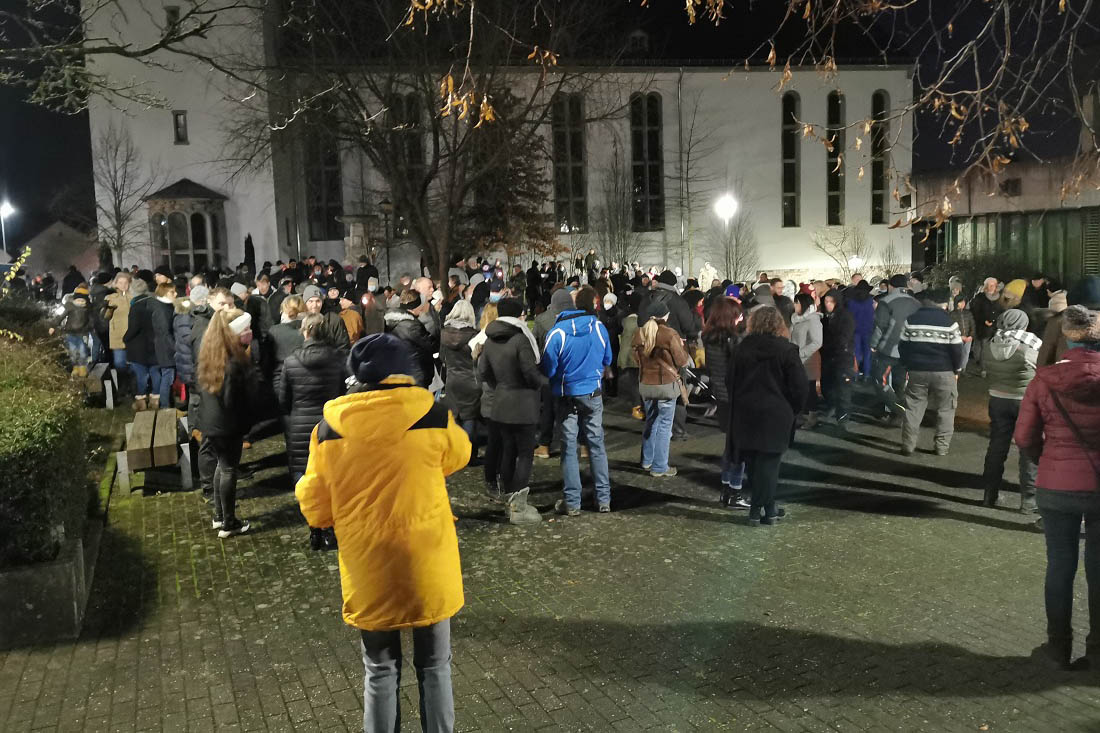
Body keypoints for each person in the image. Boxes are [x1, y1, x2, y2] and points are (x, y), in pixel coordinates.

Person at [295, 333, 470, 731]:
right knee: (435, 665)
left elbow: (315, 504)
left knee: (379, 669)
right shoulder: (433, 415)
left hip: (367, 563)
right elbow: (460, 454)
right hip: (427, 560)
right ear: (405, 373)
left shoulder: (329, 430)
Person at [1014, 305, 1100, 671]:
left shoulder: (1044, 380)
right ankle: (1097, 653)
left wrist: (1045, 460)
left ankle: (1057, 648)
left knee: (1060, 566)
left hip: (1056, 486)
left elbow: (1024, 437)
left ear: (1065, 336)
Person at [725, 307, 807, 525]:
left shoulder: (742, 349)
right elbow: (799, 387)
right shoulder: (787, 350)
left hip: (746, 411)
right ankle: (758, 509)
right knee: (770, 464)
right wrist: (793, 409)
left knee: (754, 464)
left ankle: (768, 507)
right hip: (776, 413)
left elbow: (729, 380)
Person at [541, 285, 613, 515]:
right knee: (596, 444)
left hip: (566, 396)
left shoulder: (557, 333)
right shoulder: (599, 327)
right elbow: (608, 358)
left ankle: (573, 502)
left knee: (569, 447)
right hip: (593, 393)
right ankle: (604, 499)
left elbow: (548, 369)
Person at [278, 313, 346, 550]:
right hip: (330, 425)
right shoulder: (339, 359)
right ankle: (329, 529)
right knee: (331, 479)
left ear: (305, 332)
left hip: (300, 428)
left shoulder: (291, 361)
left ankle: (314, 528)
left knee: (305, 479)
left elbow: (283, 399)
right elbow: (344, 394)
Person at [478, 297, 546, 523]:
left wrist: (500, 386)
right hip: (523, 404)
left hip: (500, 403)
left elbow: (484, 371)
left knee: (508, 451)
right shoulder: (520, 339)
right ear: (519, 315)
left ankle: (509, 499)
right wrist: (544, 383)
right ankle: (519, 507)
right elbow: (529, 372)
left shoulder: (489, 340)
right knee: (525, 454)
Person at [197, 309, 258, 538]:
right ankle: (229, 522)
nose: (249, 333)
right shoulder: (233, 362)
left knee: (221, 467)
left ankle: (219, 515)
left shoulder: (211, 353)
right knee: (229, 469)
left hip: (211, 421)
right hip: (227, 424)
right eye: (246, 330)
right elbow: (233, 400)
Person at [981, 308, 1041, 511]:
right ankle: (1029, 500)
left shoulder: (989, 345)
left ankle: (989, 494)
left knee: (997, 446)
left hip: (997, 399)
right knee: (1028, 449)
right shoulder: (1029, 349)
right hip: (1025, 402)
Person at [897, 289, 964, 456]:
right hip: (944, 371)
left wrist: (907, 365)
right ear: (943, 303)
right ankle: (941, 447)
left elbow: (903, 346)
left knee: (913, 407)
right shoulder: (949, 323)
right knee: (946, 409)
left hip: (917, 371)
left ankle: (908, 444)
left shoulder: (911, 320)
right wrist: (957, 369)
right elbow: (957, 350)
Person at [633, 300, 691, 478]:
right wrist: (682, 346)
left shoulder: (639, 333)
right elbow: (682, 361)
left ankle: (646, 460)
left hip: (646, 385)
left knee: (651, 420)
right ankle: (659, 467)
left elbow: (636, 359)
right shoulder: (669, 334)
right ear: (665, 315)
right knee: (665, 426)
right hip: (666, 386)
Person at [869, 274, 921, 425]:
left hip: (888, 349)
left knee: (880, 380)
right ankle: (898, 418)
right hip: (909, 350)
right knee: (900, 383)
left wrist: (873, 345)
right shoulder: (916, 303)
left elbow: (880, 326)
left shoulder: (886, 302)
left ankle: (901, 412)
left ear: (891, 286)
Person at [440, 300, 481, 453]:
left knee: (455, 416)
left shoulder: (444, 334)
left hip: (452, 379)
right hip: (471, 380)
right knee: (470, 417)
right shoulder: (474, 335)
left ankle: (455, 452)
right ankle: (469, 453)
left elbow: (442, 358)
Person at [820, 289, 855, 431]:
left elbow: (844, 337)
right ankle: (832, 405)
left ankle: (843, 416)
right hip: (828, 356)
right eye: (826, 302)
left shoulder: (845, 317)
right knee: (827, 384)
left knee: (843, 387)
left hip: (842, 356)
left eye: (830, 302)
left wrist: (833, 344)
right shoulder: (825, 317)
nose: (828, 304)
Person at [385, 290, 435, 387]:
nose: (421, 309)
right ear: (414, 307)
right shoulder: (412, 326)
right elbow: (429, 345)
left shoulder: (389, 320)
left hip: (398, 371)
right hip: (415, 373)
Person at [789, 292, 823, 428]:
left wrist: (801, 353)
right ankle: (801, 414)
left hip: (809, 360)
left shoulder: (813, 320)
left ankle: (812, 417)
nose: (794, 305)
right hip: (796, 359)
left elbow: (817, 342)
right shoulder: (795, 318)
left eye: (796, 303)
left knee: (809, 390)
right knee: (799, 389)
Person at [52, 284, 93, 377]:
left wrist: (89, 327)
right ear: (74, 299)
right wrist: (53, 325)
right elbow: (60, 316)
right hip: (70, 333)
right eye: (78, 300)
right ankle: (75, 367)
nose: (80, 302)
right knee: (73, 352)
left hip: (82, 333)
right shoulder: (69, 306)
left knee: (83, 351)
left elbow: (91, 320)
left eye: (82, 300)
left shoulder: (87, 309)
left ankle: (82, 367)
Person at [103, 272, 133, 390]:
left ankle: (133, 387)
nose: (123, 285)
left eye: (126, 282)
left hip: (132, 335)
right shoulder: (110, 298)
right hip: (117, 334)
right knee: (119, 363)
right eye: (120, 282)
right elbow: (105, 316)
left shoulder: (133, 298)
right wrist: (109, 310)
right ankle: (123, 387)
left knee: (133, 363)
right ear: (115, 283)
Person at [971, 277, 1005, 377]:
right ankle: (983, 369)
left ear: (996, 286)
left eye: (993, 285)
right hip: (983, 328)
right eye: (989, 285)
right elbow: (975, 311)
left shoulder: (1000, 298)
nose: (991, 287)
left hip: (996, 328)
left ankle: (990, 367)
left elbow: (1002, 311)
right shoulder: (980, 297)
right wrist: (984, 320)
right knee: (984, 348)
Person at [618, 295, 643, 420]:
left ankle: (636, 406)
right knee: (639, 382)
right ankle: (639, 406)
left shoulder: (625, 319)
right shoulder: (639, 321)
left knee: (634, 382)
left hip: (627, 355)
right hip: (637, 355)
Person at [846, 280, 875, 378]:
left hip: (855, 331)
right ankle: (867, 374)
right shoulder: (871, 301)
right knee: (867, 354)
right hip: (868, 330)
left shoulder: (851, 302)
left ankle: (855, 374)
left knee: (856, 353)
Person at [950, 294, 976, 374]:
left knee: (966, 353)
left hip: (968, 338)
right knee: (957, 354)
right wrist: (960, 337)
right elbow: (951, 328)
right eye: (961, 302)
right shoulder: (952, 314)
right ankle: (956, 369)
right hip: (958, 338)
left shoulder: (968, 313)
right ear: (956, 303)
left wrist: (971, 336)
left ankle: (963, 369)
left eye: (964, 302)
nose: (963, 304)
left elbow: (973, 325)